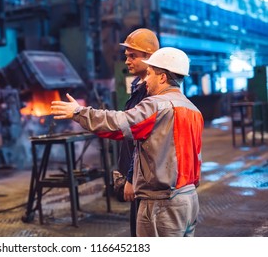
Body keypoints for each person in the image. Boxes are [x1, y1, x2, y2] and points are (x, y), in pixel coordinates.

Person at [50, 47, 204, 237]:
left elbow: (117, 125)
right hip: (189, 200)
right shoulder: (193, 110)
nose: (145, 80)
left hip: (162, 204)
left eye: (149, 74)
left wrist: (79, 112)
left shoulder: (156, 106)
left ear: (163, 77)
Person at [116, 28, 159, 237]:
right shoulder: (138, 87)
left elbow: (142, 141)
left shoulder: (151, 95)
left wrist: (132, 178)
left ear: (150, 57)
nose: (127, 61)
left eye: (133, 56)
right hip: (139, 177)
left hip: (145, 180)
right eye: (126, 56)